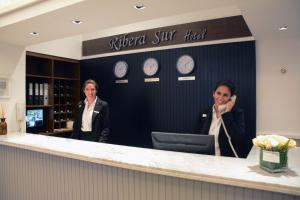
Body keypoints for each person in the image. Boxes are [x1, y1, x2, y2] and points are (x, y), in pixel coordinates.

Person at [195, 81, 245, 157]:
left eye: (225, 95)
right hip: (206, 159)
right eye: (218, 93)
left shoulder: (237, 113)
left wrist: (227, 113)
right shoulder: (204, 113)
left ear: (231, 98)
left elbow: (238, 137)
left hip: (226, 160)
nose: (221, 98)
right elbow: (196, 137)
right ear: (213, 94)